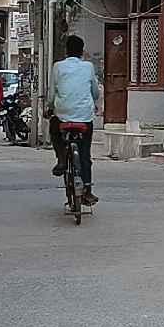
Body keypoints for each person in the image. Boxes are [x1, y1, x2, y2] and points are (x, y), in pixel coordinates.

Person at [47, 35, 100, 207]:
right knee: (85, 154)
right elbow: (95, 92)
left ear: (66, 51)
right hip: (85, 117)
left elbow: (52, 93)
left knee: (54, 127)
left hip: (62, 114)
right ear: (82, 51)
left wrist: (49, 107)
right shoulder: (88, 67)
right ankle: (88, 190)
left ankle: (62, 159)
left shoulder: (58, 67)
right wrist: (93, 103)